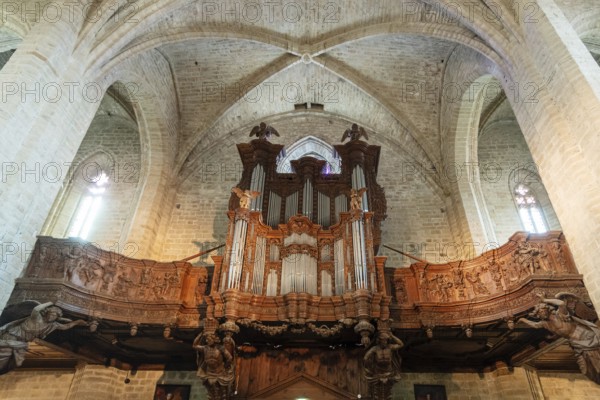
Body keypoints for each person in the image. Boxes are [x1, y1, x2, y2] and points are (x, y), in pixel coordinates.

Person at [519, 295, 600, 383]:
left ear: (547, 309)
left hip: (585, 336)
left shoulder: (560, 315)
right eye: (539, 313)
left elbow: (561, 303)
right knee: (585, 369)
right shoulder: (545, 323)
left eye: (542, 311)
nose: (541, 314)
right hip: (576, 343)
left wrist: (544, 299)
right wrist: (523, 319)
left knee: (595, 362)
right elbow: (535, 325)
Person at [0, 302, 87, 374]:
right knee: (4, 357)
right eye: (50, 314)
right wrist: (50, 302)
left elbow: (66, 327)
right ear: (46, 313)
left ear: (56, 318)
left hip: (22, 341)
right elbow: (36, 309)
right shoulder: (37, 318)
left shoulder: (53, 325)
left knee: (15, 362)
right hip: (12, 336)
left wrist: (77, 322)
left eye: (54, 316)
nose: (51, 317)